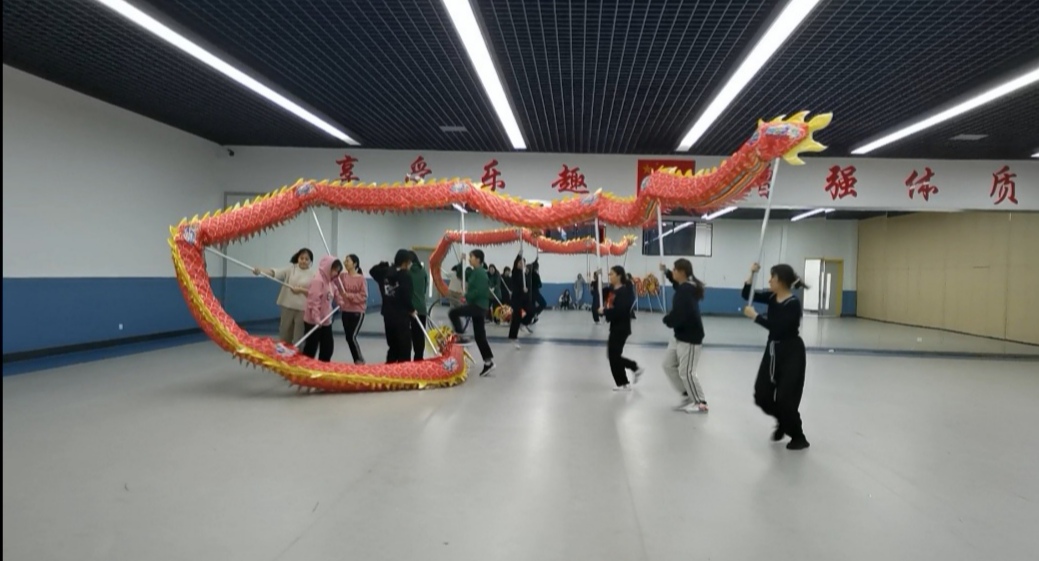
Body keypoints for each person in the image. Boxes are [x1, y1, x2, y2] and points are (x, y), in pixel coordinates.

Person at [742, 262, 810, 450]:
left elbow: (780, 328)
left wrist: (756, 317)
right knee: (761, 395)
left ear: (782, 281)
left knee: (785, 399)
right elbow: (747, 294)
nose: (769, 280)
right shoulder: (772, 297)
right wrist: (751, 273)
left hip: (792, 352)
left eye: (773, 277)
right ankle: (783, 420)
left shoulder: (793, 304)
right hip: (772, 351)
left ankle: (798, 436)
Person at [661, 259, 708, 413]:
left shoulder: (686, 291)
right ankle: (688, 393)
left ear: (681, 272)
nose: (673, 271)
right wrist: (667, 272)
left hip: (690, 337)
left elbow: (680, 315)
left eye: (674, 270)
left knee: (687, 372)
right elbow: (677, 285)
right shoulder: (685, 287)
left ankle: (700, 403)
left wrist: (668, 320)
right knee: (668, 365)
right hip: (679, 336)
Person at [252, 248, 315, 344]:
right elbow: (274, 272)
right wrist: (260, 271)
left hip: (303, 309)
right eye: (301, 258)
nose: (303, 261)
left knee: (299, 336)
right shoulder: (291, 269)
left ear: (310, 261)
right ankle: (284, 352)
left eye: (306, 259)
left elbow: (314, 293)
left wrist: (301, 291)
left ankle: (298, 353)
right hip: (287, 306)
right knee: (285, 333)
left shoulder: (314, 274)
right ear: (298, 258)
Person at [450, 249, 495, 376]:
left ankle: (461, 335)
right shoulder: (474, 272)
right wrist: (462, 261)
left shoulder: (480, 274)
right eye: (469, 257)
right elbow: (461, 274)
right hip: (478, 306)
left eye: (472, 257)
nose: (470, 259)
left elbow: (479, 291)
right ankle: (488, 362)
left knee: (453, 313)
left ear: (478, 259)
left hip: (478, 306)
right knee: (480, 336)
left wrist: (466, 296)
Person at [369, 250, 417, 363]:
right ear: (405, 262)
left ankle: (389, 370)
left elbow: (373, 271)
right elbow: (406, 296)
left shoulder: (385, 272)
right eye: (409, 262)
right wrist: (412, 310)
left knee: (393, 347)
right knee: (404, 348)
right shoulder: (405, 276)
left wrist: (384, 265)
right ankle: (402, 371)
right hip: (401, 317)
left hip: (388, 315)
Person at [601, 266, 643, 390]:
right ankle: (625, 381)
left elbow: (620, 311)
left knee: (613, 356)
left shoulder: (624, 292)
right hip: (615, 326)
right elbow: (608, 303)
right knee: (613, 356)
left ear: (619, 275)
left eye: (612, 274)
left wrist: (605, 312)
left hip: (621, 327)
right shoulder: (612, 290)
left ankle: (632, 371)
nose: (610, 276)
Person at [302, 256, 343, 362]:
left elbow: (335, 292)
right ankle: (305, 368)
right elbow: (313, 301)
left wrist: (340, 301)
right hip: (313, 321)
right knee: (311, 348)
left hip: (325, 320)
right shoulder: (318, 280)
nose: (336, 273)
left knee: (327, 348)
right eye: (335, 270)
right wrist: (316, 318)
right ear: (328, 267)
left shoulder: (330, 281)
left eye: (338, 271)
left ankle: (323, 367)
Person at [336, 254, 367, 364]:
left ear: (355, 264)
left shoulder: (361, 279)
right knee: (348, 337)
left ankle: (359, 360)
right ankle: (357, 360)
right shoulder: (342, 276)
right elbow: (336, 288)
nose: (345, 262)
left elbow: (363, 296)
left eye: (348, 261)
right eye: (345, 260)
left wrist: (349, 296)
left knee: (351, 336)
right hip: (345, 311)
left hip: (357, 312)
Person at [508, 254, 534, 348]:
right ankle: (513, 337)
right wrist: (519, 254)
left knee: (531, 312)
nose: (521, 264)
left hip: (525, 298)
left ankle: (523, 323)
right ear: (516, 264)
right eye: (519, 263)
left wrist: (526, 289)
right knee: (516, 318)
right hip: (517, 299)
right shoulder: (515, 272)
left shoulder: (525, 273)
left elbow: (527, 284)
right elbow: (518, 284)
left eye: (523, 263)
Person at [407, 251, 430, 361]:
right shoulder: (423, 271)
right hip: (421, 308)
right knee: (419, 336)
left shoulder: (406, 273)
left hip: (409, 309)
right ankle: (419, 360)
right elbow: (425, 289)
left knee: (406, 336)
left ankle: (405, 361)